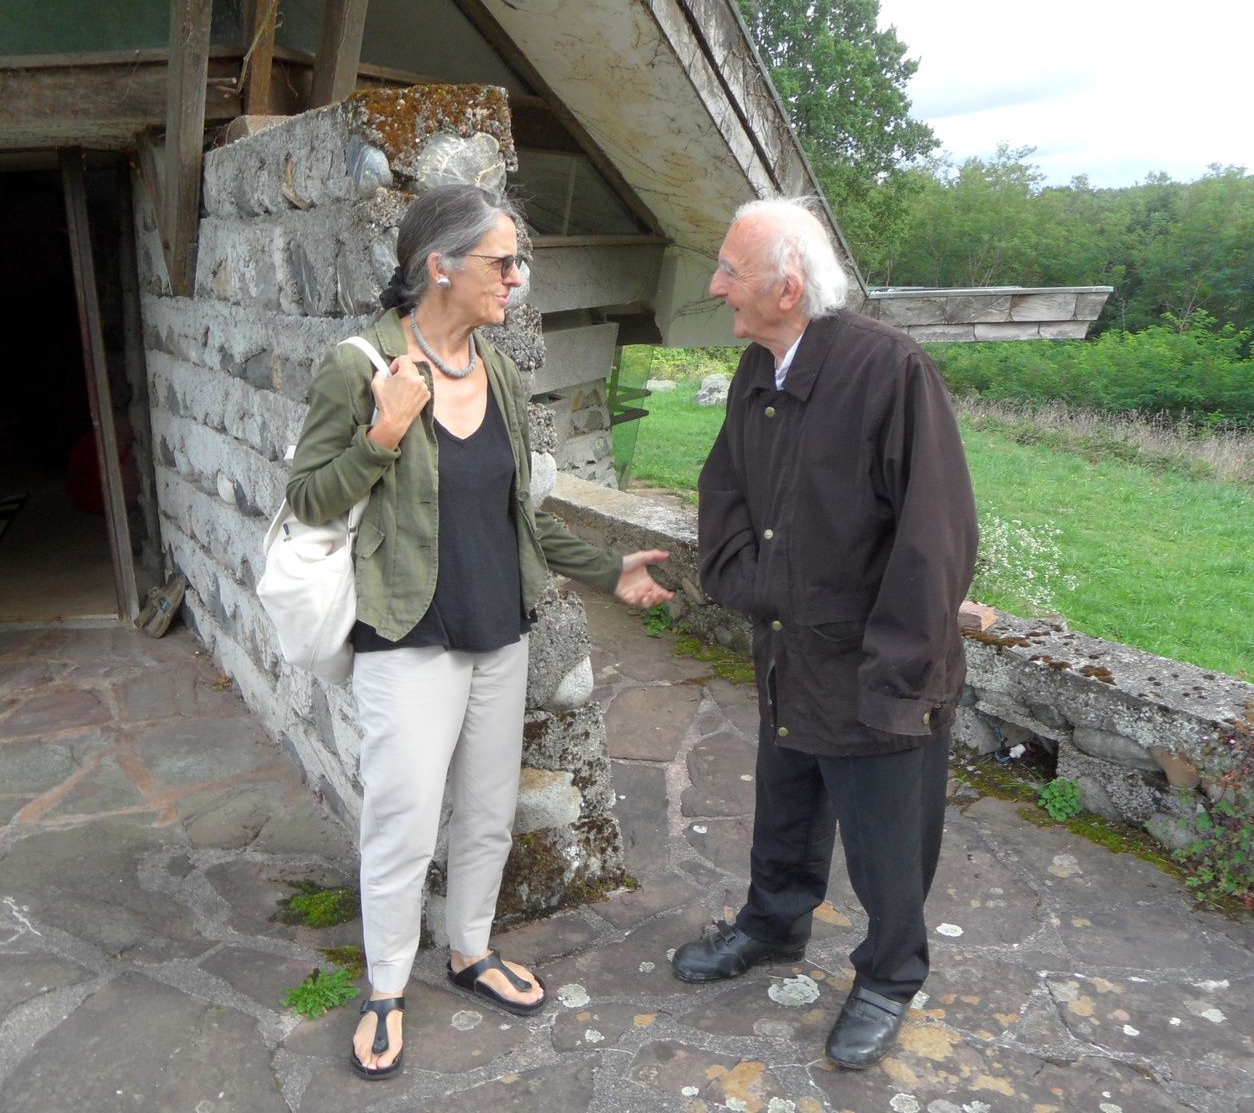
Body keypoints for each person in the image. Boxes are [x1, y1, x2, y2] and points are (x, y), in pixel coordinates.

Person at [285, 184, 673, 1080]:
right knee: (402, 817)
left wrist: (605, 570)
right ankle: (385, 986)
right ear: (441, 266)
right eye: (503, 262)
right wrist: (383, 434)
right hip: (406, 630)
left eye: (517, 263)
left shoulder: (495, 367)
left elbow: (518, 509)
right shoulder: (360, 367)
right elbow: (307, 500)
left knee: (489, 811)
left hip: (501, 625)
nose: (516, 278)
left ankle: (469, 950)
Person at [670, 197, 977, 1070]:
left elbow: (936, 536)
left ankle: (888, 976)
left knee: (888, 841)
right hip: (790, 649)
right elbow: (724, 482)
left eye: (730, 270)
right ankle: (773, 924)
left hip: (878, 664)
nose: (715, 284)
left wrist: (899, 674)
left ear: (786, 287)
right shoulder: (759, 370)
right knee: (787, 805)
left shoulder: (890, 372)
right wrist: (744, 579)